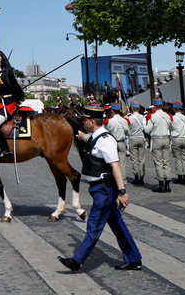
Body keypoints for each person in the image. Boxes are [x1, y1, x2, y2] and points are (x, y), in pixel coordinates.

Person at [58, 103, 142, 273]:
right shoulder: (95, 136)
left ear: (92, 122)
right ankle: (133, 259)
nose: (83, 123)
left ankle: (77, 261)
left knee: (94, 226)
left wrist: (122, 192)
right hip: (99, 189)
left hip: (103, 190)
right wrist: (81, 136)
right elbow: (91, 139)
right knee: (117, 225)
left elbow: (115, 167)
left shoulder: (105, 141)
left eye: (85, 121)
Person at [144, 98, 174, 193]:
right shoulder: (167, 116)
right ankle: (167, 184)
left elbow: (147, 130)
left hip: (157, 139)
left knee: (158, 162)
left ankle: (161, 184)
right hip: (166, 139)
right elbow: (172, 127)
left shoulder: (153, 117)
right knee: (166, 161)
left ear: (154, 106)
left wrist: (145, 124)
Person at [104, 103, 129, 179]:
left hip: (113, 144)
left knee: (113, 163)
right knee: (122, 164)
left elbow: (105, 132)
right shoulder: (124, 120)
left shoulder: (109, 121)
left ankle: (115, 180)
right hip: (121, 142)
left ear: (112, 111)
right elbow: (127, 132)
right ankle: (123, 180)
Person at [170, 101, 185, 185]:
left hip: (176, 139)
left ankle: (180, 176)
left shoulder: (173, 118)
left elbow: (170, 128)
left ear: (175, 109)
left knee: (178, 159)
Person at [126, 101, 147, 186]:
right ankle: (142, 177)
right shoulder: (142, 117)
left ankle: (136, 177)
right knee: (142, 159)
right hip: (141, 138)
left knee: (134, 159)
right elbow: (144, 128)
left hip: (133, 138)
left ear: (132, 108)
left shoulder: (129, 118)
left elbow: (127, 129)